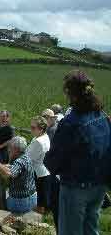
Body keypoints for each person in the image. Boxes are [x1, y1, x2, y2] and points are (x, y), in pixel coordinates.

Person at [44, 70, 111, 235]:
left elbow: (55, 159)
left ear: (71, 94)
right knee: (91, 228)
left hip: (76, 187)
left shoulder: (71, 123)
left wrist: (50, 163)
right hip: (100, 185)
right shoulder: (101, 116)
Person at [0, 136, 37, 214]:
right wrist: (1, 165)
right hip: (31, 198)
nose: (8, 150)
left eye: (10, 147)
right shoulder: (26, 157)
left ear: (16, 149)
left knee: (2, 201)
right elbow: (11, 167)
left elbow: (8, 173)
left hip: (21, 202)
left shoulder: (19, 162)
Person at [26, 116, 50, 214]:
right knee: (42, 196)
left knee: (40, 199)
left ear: (41, 129)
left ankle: (39, 215)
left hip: (38, 171)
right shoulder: (42, 137)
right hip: (42, 170)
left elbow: (28, 157)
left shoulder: (38, 142)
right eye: (31, 127)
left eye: (33, 128)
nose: (31, 129)